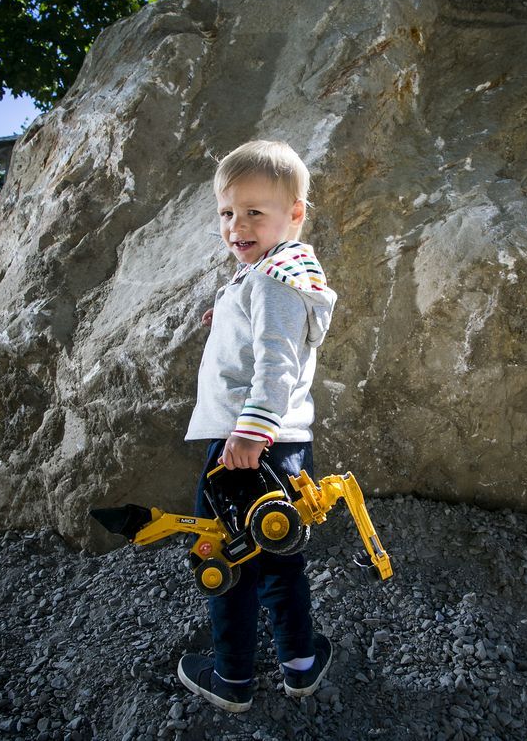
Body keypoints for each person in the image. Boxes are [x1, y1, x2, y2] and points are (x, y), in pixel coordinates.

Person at [179, 140, 338, 713]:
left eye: (254, 212)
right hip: (281, 445)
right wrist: (223, 315)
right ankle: (298, 664)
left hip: (249, 446)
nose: (236, 225)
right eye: (227, 212)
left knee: (226, 561)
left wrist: (248, 434)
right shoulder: (268, 278)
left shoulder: (273, 282)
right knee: (278, 559)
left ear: (294, 214)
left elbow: (277, 362)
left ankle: (232, 678)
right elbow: (263, 335)